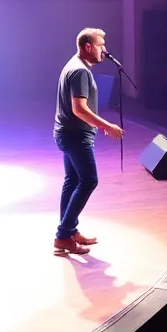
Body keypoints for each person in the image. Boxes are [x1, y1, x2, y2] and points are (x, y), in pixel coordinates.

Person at [53, 28, 123, 255]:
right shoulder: (80, 71)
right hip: (75, 136)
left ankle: (70, 231)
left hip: (67, 133)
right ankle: (63, 236)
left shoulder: (73, 65)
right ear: (88, 47)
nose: (105, 50)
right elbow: (79, 109)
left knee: (72, 180)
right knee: (88, 180)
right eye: (101, 45)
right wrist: (106, 126)